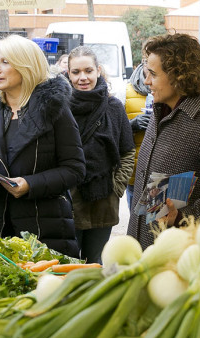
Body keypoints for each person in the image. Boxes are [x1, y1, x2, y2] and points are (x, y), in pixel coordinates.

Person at [0, 35, 85, 257]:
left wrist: (30, 184)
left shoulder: (54, 111)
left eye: (5, 62)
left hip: (45, 231)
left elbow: (75, 169)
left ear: (27, 66)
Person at [126, 33, 200, 249]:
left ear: (178, 76)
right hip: (142, 245)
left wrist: (182, 216)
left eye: (153, 74)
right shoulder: (159, 112)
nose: (146, 81)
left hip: (177, 254)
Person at [67, 46, 135, 263]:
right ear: (68, 74)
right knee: (66, 263)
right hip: (68, 199)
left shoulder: (113, 107)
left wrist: (117, 187)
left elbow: (127, 151)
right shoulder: (59, 107)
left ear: (98, 70)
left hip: (103, 200)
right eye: (76, 72)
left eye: (88, 71)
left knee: (95, 262)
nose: (83, 78)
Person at [124, 60, 152, 209]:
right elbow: (117, 132)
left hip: (159, 174)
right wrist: (132, 124)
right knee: (135, 225)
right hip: (134, 173)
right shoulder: (126, 92)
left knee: (156, 226)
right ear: (144, 62)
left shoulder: (169, 90)